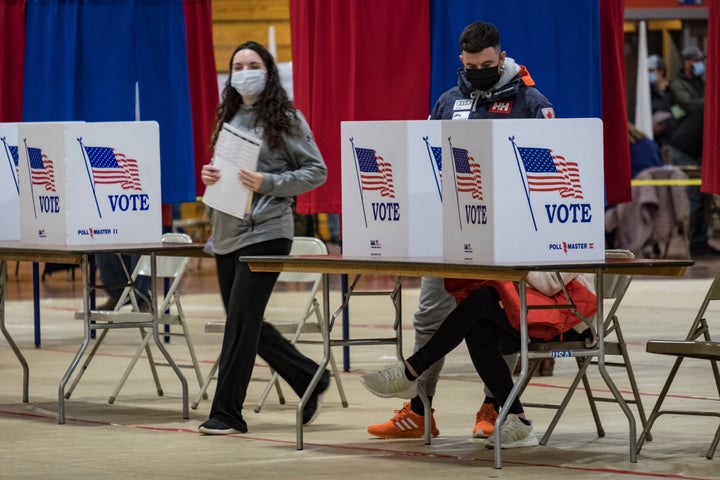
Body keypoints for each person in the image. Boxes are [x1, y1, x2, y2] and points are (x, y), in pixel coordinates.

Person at [366, 21, 556, 441]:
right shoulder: (448, 101)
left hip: (508, 237)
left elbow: (548, 165)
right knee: (430, 316)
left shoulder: (531, 101)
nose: (480, 71)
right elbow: (425, 162)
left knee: (495, 318)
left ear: (502, 57)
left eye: (488, 64)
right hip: (451, 232)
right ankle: (420, 410)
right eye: (472, 66)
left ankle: (495, 405)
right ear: (461, 61)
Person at [198, 41, 329, 435]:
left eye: (253, 64)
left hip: (266, 230)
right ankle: (308, 376)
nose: (245, 71)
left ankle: (227, 413)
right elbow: (228, 172)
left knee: (240, 323)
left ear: (268, 72)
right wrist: (210, 178)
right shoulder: (230, 116)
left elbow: (316, 171)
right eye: (238, 65)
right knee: (244, 321)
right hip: (226, 232)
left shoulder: (286, 118)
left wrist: (267, 181)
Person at [361, 272, 597, 449]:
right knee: (477, 324)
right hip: (537, 311)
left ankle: (410, 371)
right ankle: (518, 420)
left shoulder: (566, 228)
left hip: (572, 319)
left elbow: (550, 283)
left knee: (483, 301)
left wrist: (504, 261)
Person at [667, 45, 710, 257]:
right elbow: (689, 105)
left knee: (701, 198)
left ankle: (701, 240)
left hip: (693, 145)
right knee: (693, 198)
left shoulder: (701, 84)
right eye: (695, 60)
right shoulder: (677, 84)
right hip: (683, 147)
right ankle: (696, 244)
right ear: (686, 62)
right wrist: (712, 98)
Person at [647, 54, 675, 151]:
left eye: (651, 70)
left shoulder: (673, 90)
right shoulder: (647, 94)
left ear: (661, 71)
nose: (648, 74)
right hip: (656, 143)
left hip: (674, 141)